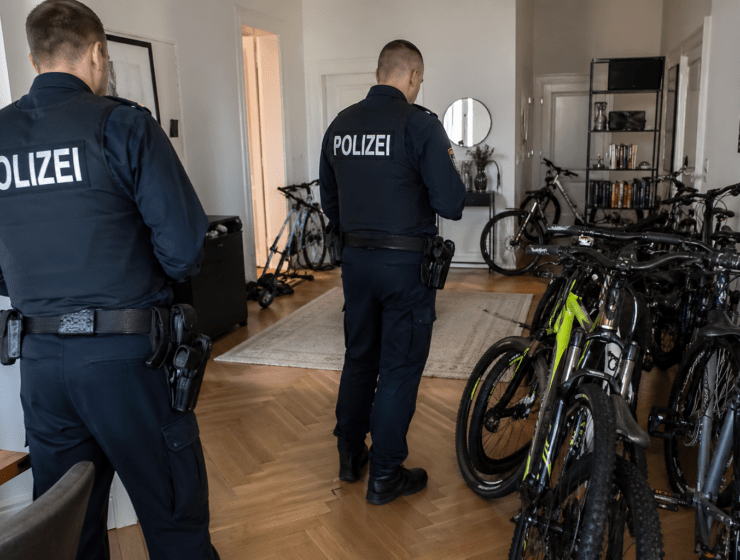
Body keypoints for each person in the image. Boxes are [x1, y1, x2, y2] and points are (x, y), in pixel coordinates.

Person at [0, 1, 219, 558]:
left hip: (40, 363)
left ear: (34, 58)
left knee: (67, 528)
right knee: (174, 518)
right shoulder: (123, 125)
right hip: (128, 360)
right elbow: (184, 250)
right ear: (98, 54)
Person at [319, 39, 466, 505]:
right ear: (414, 76)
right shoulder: (420, 124)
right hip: (405, 266)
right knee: (399, 367)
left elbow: (330, 203)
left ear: (379, 72)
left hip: (355, 264)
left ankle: (349, 456)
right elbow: (451, 203)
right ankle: (384, 473)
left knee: (360, 357)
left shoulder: (340, 125)